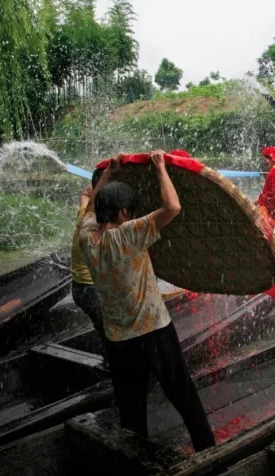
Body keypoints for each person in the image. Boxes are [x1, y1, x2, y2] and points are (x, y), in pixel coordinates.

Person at [78, 151, 215, 452]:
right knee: (183, 395)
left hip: (118, 339)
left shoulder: (86, 239)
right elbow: (173, 207)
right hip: (154, 332)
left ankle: (135, 458)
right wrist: (160, 167)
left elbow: (88, 206)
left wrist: (107, 175)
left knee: (131, 408)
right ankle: (208, 451)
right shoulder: (130, 234)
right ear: (124, 213)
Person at [71, 169, 107, 360]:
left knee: (104, 329)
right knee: (110, 332)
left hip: (79, 288)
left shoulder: (84, 218)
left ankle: (109, 357)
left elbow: (85, 199)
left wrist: (91, 191)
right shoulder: (101, 229)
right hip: (92, 290)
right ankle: (114, 363)